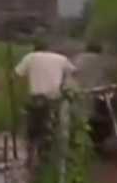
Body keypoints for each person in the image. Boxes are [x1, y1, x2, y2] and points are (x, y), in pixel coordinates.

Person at [14, 40, 77, 168]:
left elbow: (16, 74)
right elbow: (73, 72)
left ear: (34, 48)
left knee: (33, 130)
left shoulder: (30, 57)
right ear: (48, 48)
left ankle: (30, 158)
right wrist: (64, 82)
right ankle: (50, 157)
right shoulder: (61, 58)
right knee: (55, 126)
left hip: (37, 98)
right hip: (56, 97)